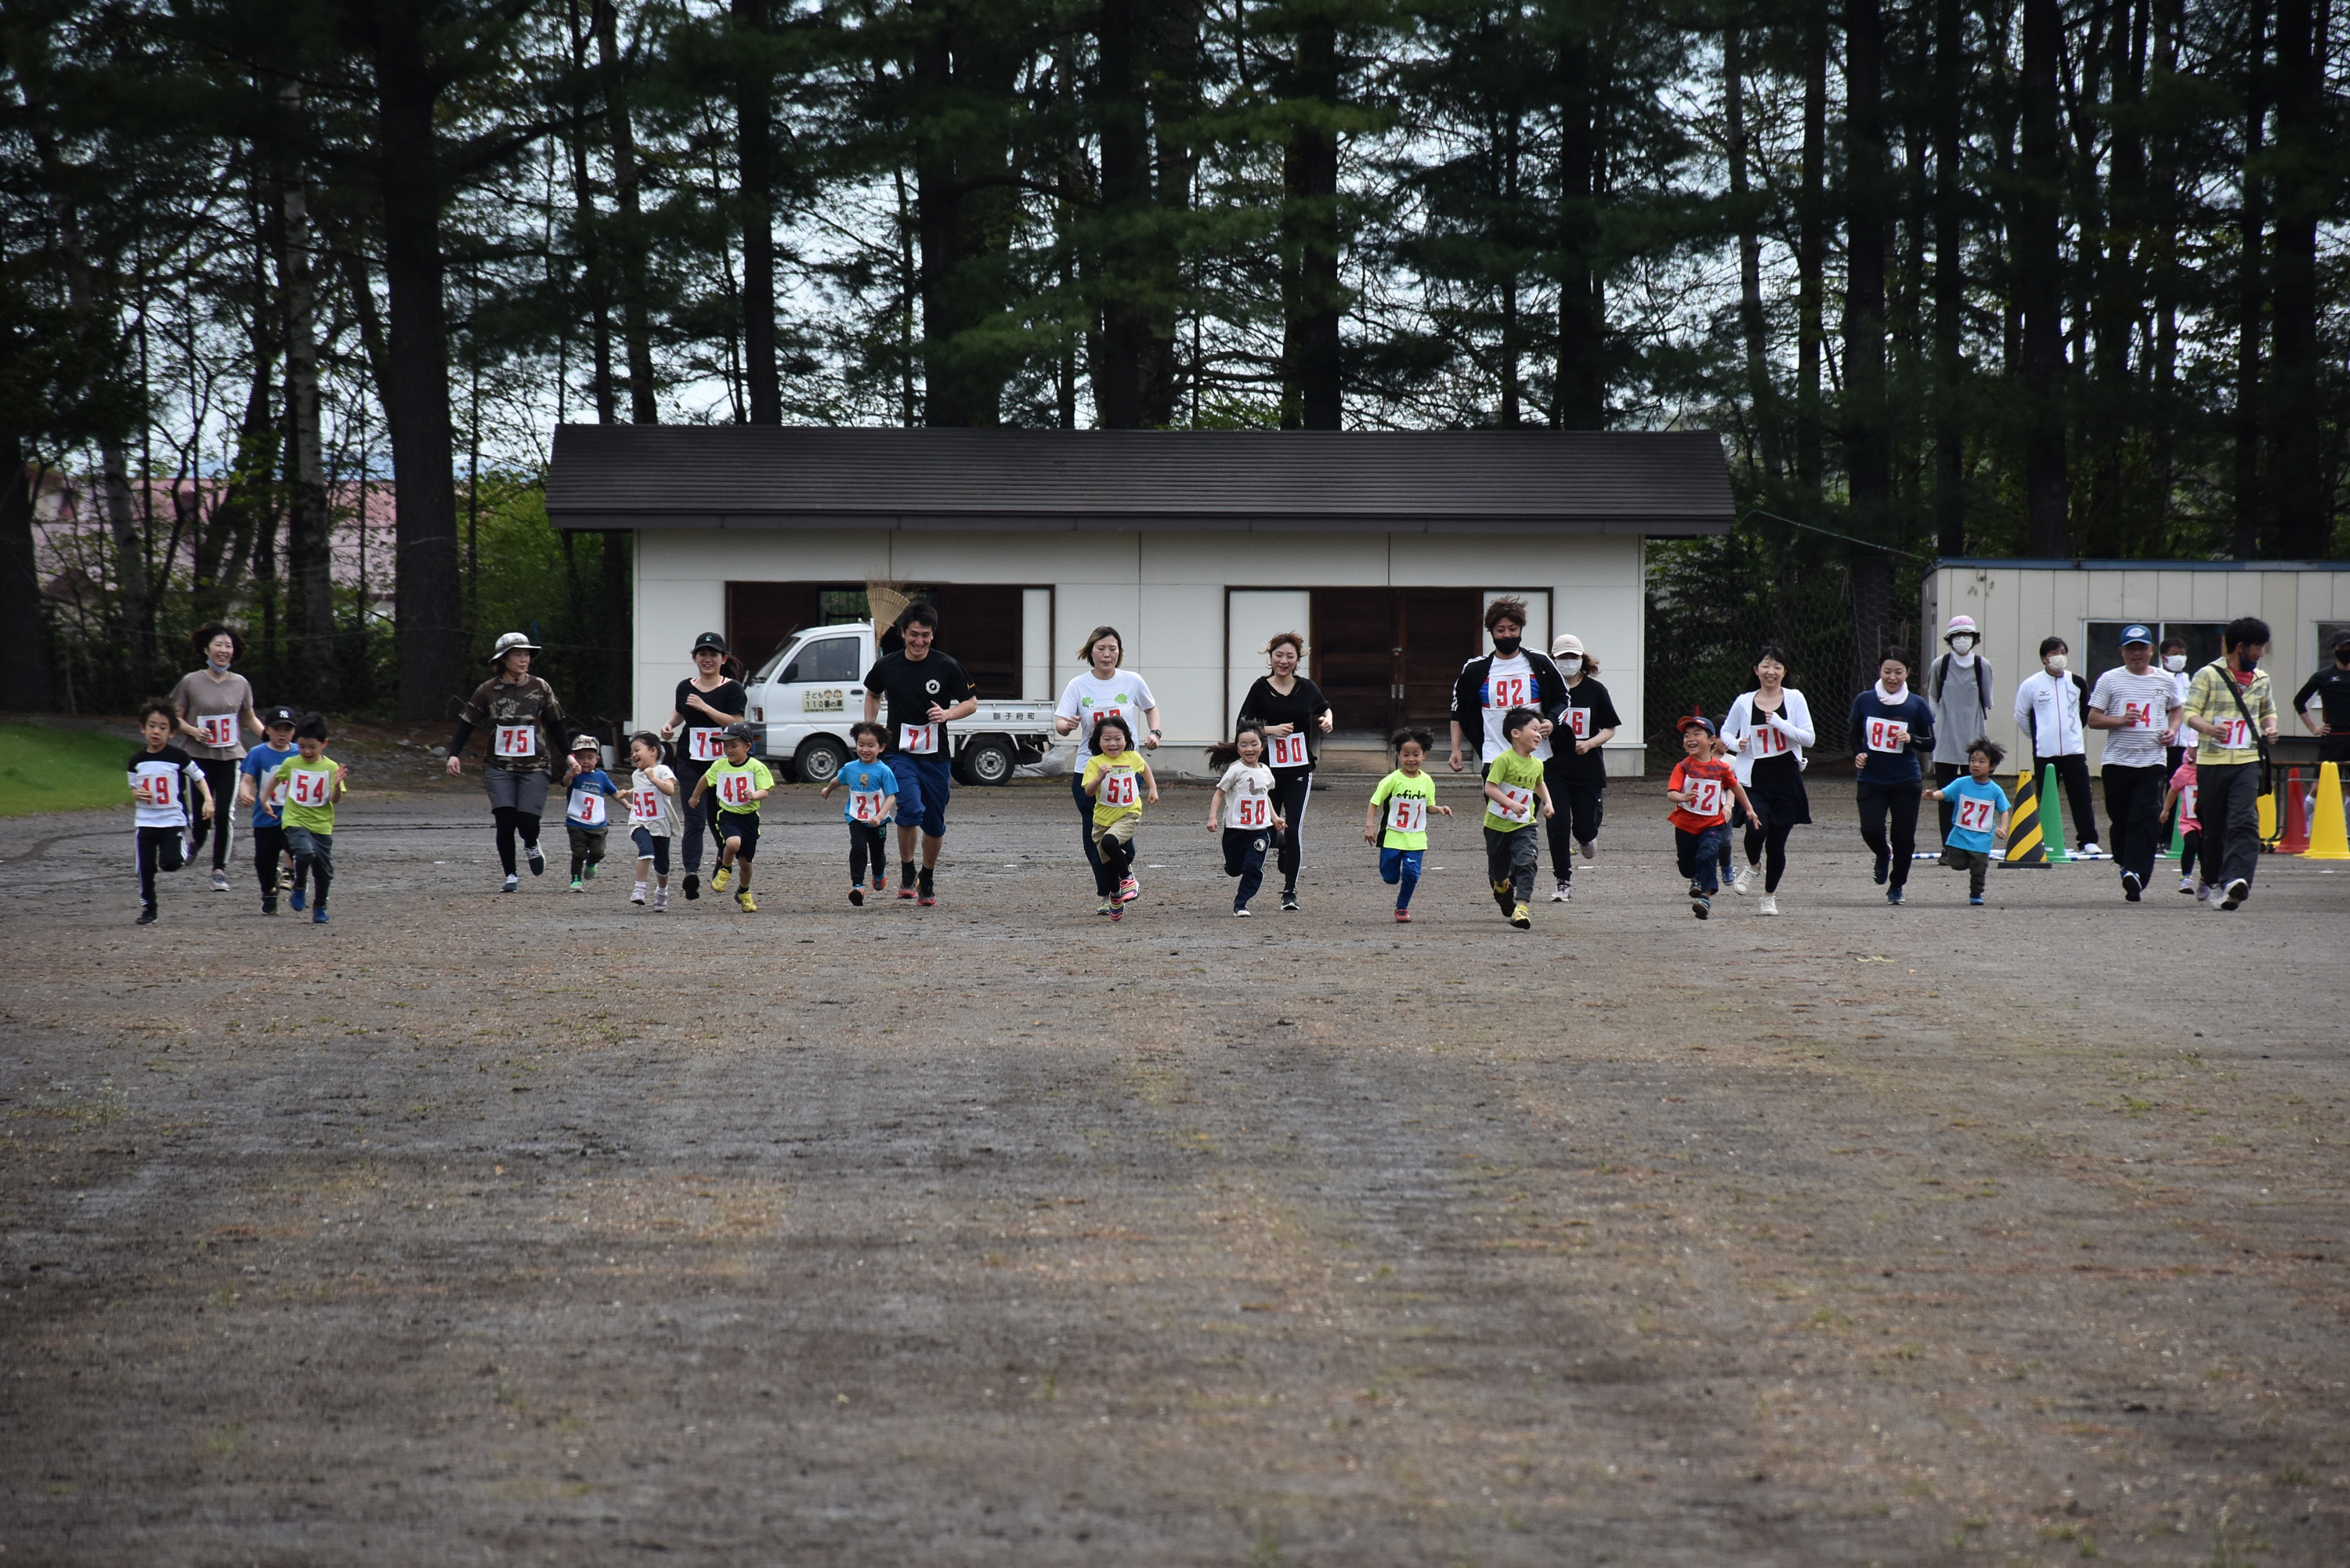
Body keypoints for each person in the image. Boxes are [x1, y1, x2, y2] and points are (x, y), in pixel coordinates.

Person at [862, 603, 978, 907]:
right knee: (910, 808)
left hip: (936, 756)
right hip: (900, 754)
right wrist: (870, 726)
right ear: (902, 634)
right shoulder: (887, 665)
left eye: (925, 636)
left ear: (932, 635)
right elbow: (873, 693)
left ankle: (926, 877)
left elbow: (972, 702)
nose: (919, 641)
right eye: (913, 635)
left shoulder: (947, 666)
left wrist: (948, 714)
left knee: (935, 823)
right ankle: (907, 871)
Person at [447, 631, 566, 894]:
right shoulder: (488, 690)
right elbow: (467, 723)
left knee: (527, 823)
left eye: (527, 654)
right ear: (503, 659)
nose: (524, 660)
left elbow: (556, 722)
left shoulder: (540, 687)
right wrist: (453, 753)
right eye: (518, 654)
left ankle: (532, 843)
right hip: (498, 766)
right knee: (504, 819)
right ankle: (511, 874)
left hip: (534, 765)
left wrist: (568, 754)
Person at [1055, 627, 1162, 895]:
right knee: (1095, 836)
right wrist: (1066, 726)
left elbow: (1151, 708)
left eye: (1113, 649)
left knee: (1122, 833)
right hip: (1089, 769)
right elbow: (1061, 723)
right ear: (1090, 652)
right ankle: (1110, 893)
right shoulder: (1078, 685)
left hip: (1126, 771)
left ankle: (1125, 872)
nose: (1107, 654)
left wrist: (1155, 732)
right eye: (1101, 649)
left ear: (1120, 653)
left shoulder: (1132, 681)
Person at [2182, 616, 2278, 911]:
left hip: (2247, 760)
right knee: (2213, 828)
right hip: (2212, 761)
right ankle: (2211, 877)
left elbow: (2267, 711)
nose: (2261, 654)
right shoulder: (2207, 675)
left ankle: (2236, 881)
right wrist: (2209, 729)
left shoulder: (2262, 680)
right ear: (2240, 647)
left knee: (2245, 819)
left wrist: (2271, 727)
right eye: (2258, 647)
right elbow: (2190, 713)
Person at [1237, 631, 1333, 911]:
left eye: (1290, 656)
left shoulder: (1307, 688)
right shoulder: (1260, 688)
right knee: (1266, 827)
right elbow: (1243, 725)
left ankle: (1289, 892)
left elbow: (1325, 709)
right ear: (1270, 658)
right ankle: (1279, 843)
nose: (1284, 661)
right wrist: (1270, 730)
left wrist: (1327, 720)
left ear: (1297, 659)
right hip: (1266, 771)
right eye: (1279, 655)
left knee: (1294, 829)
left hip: (1299, 769)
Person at [2086, 625, 2184, 902]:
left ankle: (2136, 873)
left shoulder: (2165, 680)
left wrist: (2173, 730)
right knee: (2121, 820)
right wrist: (2119, 720)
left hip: (2152, 761)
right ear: (2122, 652)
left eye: (2142, 648)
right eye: (2131, 649)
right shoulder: (2110, 680)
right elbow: (2093, 719)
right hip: (2117, 761)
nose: (2137, 654)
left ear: (2152, 651)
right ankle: (2124, 863)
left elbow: (2177, 708)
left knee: (2145, 818)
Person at [1719, 646, 1815, 916]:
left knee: (1777, 844)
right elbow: (1725, 732)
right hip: (1754, 779)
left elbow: (1809, 738)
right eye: (1765, 666)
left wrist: (1782, 724)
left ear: (1784, 672)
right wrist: (1736, 744)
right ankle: (1753, 865)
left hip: (1787, 778)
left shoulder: (1795, 699)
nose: (1771, 672)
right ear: (1756, 670)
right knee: (1756, 829)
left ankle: (1769, 896)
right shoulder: (1744, 701)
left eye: (1777, 667)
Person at [171, 622, 264, 891]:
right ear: (206, 649)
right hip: (198, 757)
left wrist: (269, 738)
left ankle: (219, 869)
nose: (224, 650)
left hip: (230, 757)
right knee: (203, 815)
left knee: (225, 814)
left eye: (229, 646)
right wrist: (193, 731)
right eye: (219, 645)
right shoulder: (191, 681)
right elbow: (173, 716)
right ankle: (197, 842)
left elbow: (248, 717)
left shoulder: (240, 684)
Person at [660, 632, 747, 903]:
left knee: (719, 821)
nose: (707, 659)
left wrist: (706, 708)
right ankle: (691, 872)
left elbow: (737, 724)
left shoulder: (733, 689)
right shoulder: (685, 686)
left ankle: (722, 862)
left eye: (713, 654)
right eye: (702, 654)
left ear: (723, 659)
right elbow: (681, 711)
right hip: (690, 761)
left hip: (724, 765)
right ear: (694, 658)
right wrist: (670, 725)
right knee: (693, 819)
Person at [1850, 648, 1936, 905]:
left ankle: (1897, 885)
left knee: (1903, 837)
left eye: (1898, 672)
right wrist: (1859, 754)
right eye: (1887, 671)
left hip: (1905, 780)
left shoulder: (1916, 704)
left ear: (1907, 673)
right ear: (1880, 671)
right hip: (1872, 779)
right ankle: (1882, 852)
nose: (1892, 677)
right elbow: (1855, 735)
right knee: (1871, 828)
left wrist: (1912, 739)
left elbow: (1930, 742)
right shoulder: (1865, 700)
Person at [1542, 633, 1621, 901]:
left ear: (1582, 659)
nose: (1568, 662)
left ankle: (1587, 836)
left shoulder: (1595, 691)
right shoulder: (1546, 692)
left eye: (1573, 657)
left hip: (1587, 770)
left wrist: (1589, 744)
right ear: (1553, 660)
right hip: (1554, 770)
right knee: (1558, 823)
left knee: (1584, 828)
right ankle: (1563, 881)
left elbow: (1610, 728)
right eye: (1563, 657)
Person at [2013, 635, 2102, 857]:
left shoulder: (2077, 683)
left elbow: (2084, 714)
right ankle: (2044, 839)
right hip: (2045, 753)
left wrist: (2072, 732)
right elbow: (2021, 716)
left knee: (2081, 796)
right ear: (2044, 658)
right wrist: (2038, 737)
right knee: (2047, 798)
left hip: (2073, 750)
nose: (2059, 657)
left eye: (2062, 652)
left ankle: (2088, 840)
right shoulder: (2031, 685)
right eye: (2054, 653)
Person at [128, 699, 213, 925]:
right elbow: (134, 787)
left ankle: (182, 851)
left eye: (163, 727)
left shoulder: (178, 757)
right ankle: (149, 908)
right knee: (144, 868)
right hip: (146, 821)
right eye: (152, 726)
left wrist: (208, 800)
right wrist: (137, 794)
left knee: (170, 863)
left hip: (172, 820)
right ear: (143, 728)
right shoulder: (136, 761)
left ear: (172, 733)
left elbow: (199, 777)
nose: (156, 731)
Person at [1666, 714, 1754, 920]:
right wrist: (1683, 796)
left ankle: (1705, 897)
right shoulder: (1683, 767)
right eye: (1687, 735)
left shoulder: (1721, 768)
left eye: (1697, 734)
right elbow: (1671, 794)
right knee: (1687, 866)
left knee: (1708, 853)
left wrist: (1749, 809)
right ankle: (1694, 877)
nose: (1690, 738)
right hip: (1686, 825)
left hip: (1711, 824)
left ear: (1711, 740)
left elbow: (1735, 786)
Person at [1365, 728, 1450, 923]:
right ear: (1399, 756)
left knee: (1411, 874)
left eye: (1416, 755)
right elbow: (1374, 802)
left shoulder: (1427, 781)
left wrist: (1440, 808)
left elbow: (1428, 806)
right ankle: (1393, 874)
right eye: (1406, 755)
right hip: (1392, 836)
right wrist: (1370, 826)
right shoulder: (1392, 779)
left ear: (1424, 755)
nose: (1411, 759)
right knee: (1391, 878)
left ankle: (1402, 908)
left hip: (1416, 838)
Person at [1479, 706, 1552, 930]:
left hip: (1524, 824)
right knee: (1499, 872)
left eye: (1540, 730)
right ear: (1515, 733)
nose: (1539, 734)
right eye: (1534, 729)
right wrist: (1510, 804)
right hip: (1497, 825)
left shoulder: (1537, 763)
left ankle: (1522, 908)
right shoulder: (1503, 760)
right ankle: (1501, 887)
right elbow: (1490, 788)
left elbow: (1539, 783)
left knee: (1527, 861)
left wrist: (1548, 802)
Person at [689, 721, 773, 913]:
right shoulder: (719, 766)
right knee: (733, 843)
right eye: (725, 746)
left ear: (747, 747)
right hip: (728, 815)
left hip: (749, 819)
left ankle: (744, 891)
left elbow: (765, 790)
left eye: (733, 746)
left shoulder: (755, 767)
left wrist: (754, 794)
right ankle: (725, 869)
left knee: (746, 863)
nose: (728, 750)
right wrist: (695, 796)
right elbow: (705, 779)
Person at [269, 714, 345, 925]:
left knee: (324, 870)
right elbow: (276, 778)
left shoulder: (330, 768)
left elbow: (334, 800)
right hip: (295, 820)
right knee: (304, 852)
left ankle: (320, 906)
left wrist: (337, 785)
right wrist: (264, 799)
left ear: (324, 744)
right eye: (302, 747)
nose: (307, 752)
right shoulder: (291, 763)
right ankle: (300, 885)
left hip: (321, 825)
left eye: (312, 747)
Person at [1926, 614, 1994, 847]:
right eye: (1957, 635)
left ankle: (1970, 845)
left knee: (1973, 797)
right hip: (1945, 740)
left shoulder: (1982, 665)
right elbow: (1933, 696)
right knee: (1946, 797)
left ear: (1974, 638)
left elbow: (1987, 699)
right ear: (1950, 638)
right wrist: (1938, 723)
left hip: (1973, 740)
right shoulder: (1940, 664)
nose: (1962, 640)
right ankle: (1948, 846)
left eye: (1966, 635)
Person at [1082, 715, 1157, 921]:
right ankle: (1115, 896)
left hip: (1128, 814)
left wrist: (1153, 788)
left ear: (1126, 739)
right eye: (1107, 739)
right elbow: (1088, 792)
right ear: (1098, 741)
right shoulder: (1095, 763)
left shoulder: (1132, 757)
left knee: (1109, 841)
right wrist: (1099, 777)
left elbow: (1144, 767)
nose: (1113, 744)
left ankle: (1128, 878)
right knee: (1106, 865)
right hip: (1102, 820)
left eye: (1118, 738)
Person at [819, 722, 900, 906]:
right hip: (855, 817)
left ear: (881, 748)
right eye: (861, 745)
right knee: (858, 848)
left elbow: (891, 797)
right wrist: (827, 790)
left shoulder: (884, 771)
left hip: (877, 820)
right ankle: (858, 886)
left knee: (877, 852)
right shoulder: (850, 768)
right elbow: (837, 780)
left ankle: (879, 874)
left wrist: (880, 816)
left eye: (871, 746)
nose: (865, 749)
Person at [1207, 722, 1282, 917]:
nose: (1249, 749)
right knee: (1233, 869)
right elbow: (1219, 794)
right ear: (1237, 747)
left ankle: (1241, 903)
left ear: (1262, 746)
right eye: (1243, 745)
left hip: (1259, 829)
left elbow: (1265, 796)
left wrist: (1274, 818)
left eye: (1254, 744)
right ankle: (1233, 866)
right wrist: (1213, 817)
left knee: (1253, 867)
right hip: (1235, 829)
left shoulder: (1266, 772)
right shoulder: (1235, 770)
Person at [1923, 738, 2012, 905]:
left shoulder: (1995, 790)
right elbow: (1944, 793)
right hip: (1960, 835)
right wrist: (1932, 796)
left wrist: (2003, 828)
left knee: (1979, 870)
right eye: (1972, 761)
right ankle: (1964, 861)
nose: (1975, 765)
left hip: (1982, 840)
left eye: (1981, 761)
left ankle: (1976, 894)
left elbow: (2004, 810)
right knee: (1956, 863)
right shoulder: (1961, 783)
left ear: (1992, 766)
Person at [236, 706, 299, 913]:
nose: (282, 734)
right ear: (267, 730)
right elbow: (247, 779)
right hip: (265, 817)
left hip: (293, 815)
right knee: (264, 861)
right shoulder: (258, 753)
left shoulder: (300, 752)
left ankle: (292, 874)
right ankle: (269, 890)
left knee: (297, 847)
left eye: (287, 729)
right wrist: (244, 792)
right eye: (277, 728)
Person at [622, 732, 681, 912]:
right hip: (639, 820)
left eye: (637, 750)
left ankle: (662, 893)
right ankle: (639, 890)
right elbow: (641, 788)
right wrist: (628, 793)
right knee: (646, 850)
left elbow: (670, 790)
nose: (633, 755)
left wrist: (653, 778)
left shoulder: (662, 771)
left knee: (663, 866)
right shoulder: (636, 774)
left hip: (660, 823)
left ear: (653, 751)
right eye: (632, 751)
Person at [561, 736, 620, 891]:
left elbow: (614, 792)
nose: (585, 761)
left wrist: (628, 805)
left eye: (590, 758)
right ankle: (576, 879)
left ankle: (592, 863)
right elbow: (565, 783)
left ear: (597, 759)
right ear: (573, 759)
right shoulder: (574, 774)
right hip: (576, 821)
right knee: (578, 853)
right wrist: (571, 774)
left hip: (597, 822)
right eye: (581, 758)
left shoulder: (601, 776)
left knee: (598, 851)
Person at [2292, 629, 2350, 768]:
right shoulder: (2323, 676)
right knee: (2320, 784)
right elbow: (2299, 701)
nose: (2346, 651)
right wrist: (2313, 728)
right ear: (2334, 649)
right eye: (2342, 648)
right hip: (2333, 738)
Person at [2161, 753, 2204, 898]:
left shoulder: (2213, 771)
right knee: (2192, 844)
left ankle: (2206, 880)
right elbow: (2173, 790)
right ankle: (2185, 877)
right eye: (2194, 748)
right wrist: (2166, 810)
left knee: (2206, 851)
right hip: (2189, 820)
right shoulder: (2183, 772)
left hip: (2208, 821)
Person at [2161, 635, 2193, 774]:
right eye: (2174, 654)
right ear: (2164, 657)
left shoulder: (2189, 679)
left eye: (2182, 654)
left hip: (2184, 741)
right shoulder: (2157, 677)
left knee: (2179, 781)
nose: (2179, 658)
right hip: (2163, 740)